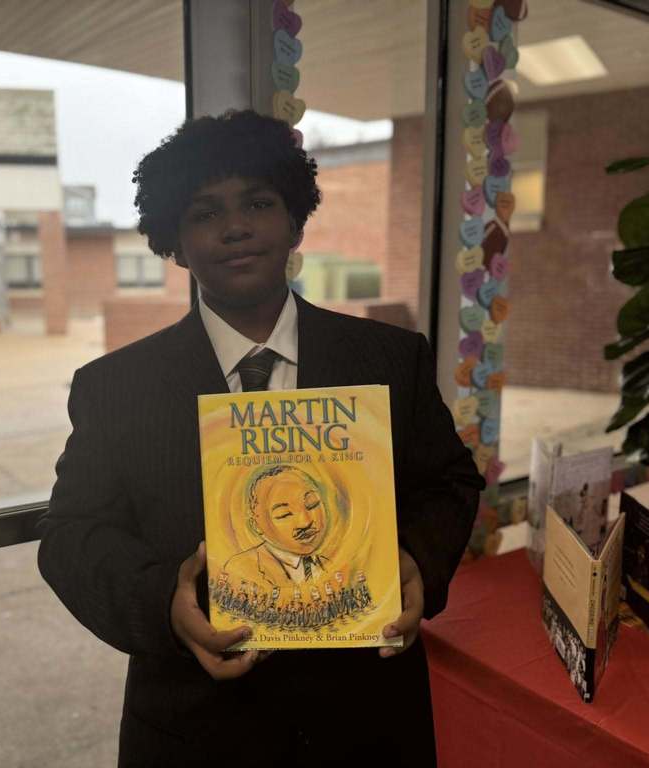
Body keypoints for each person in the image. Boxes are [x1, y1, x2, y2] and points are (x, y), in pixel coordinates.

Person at [37, 109, 485, 767]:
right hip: (196, 732)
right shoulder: (116, 388)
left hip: (367, 719)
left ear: (295, 219)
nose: (236, 227)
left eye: (257, 203)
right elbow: (72, 536)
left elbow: (448, 483)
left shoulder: (390, 360)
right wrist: (166, 603)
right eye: (205, 212)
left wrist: (417, 557)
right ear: (174, 240)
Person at [223, 464, 330, 588]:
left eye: (312, 504)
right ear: (256, 526)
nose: (305, 522)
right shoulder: (239, 570)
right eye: (284, 514)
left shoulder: (330, 565)